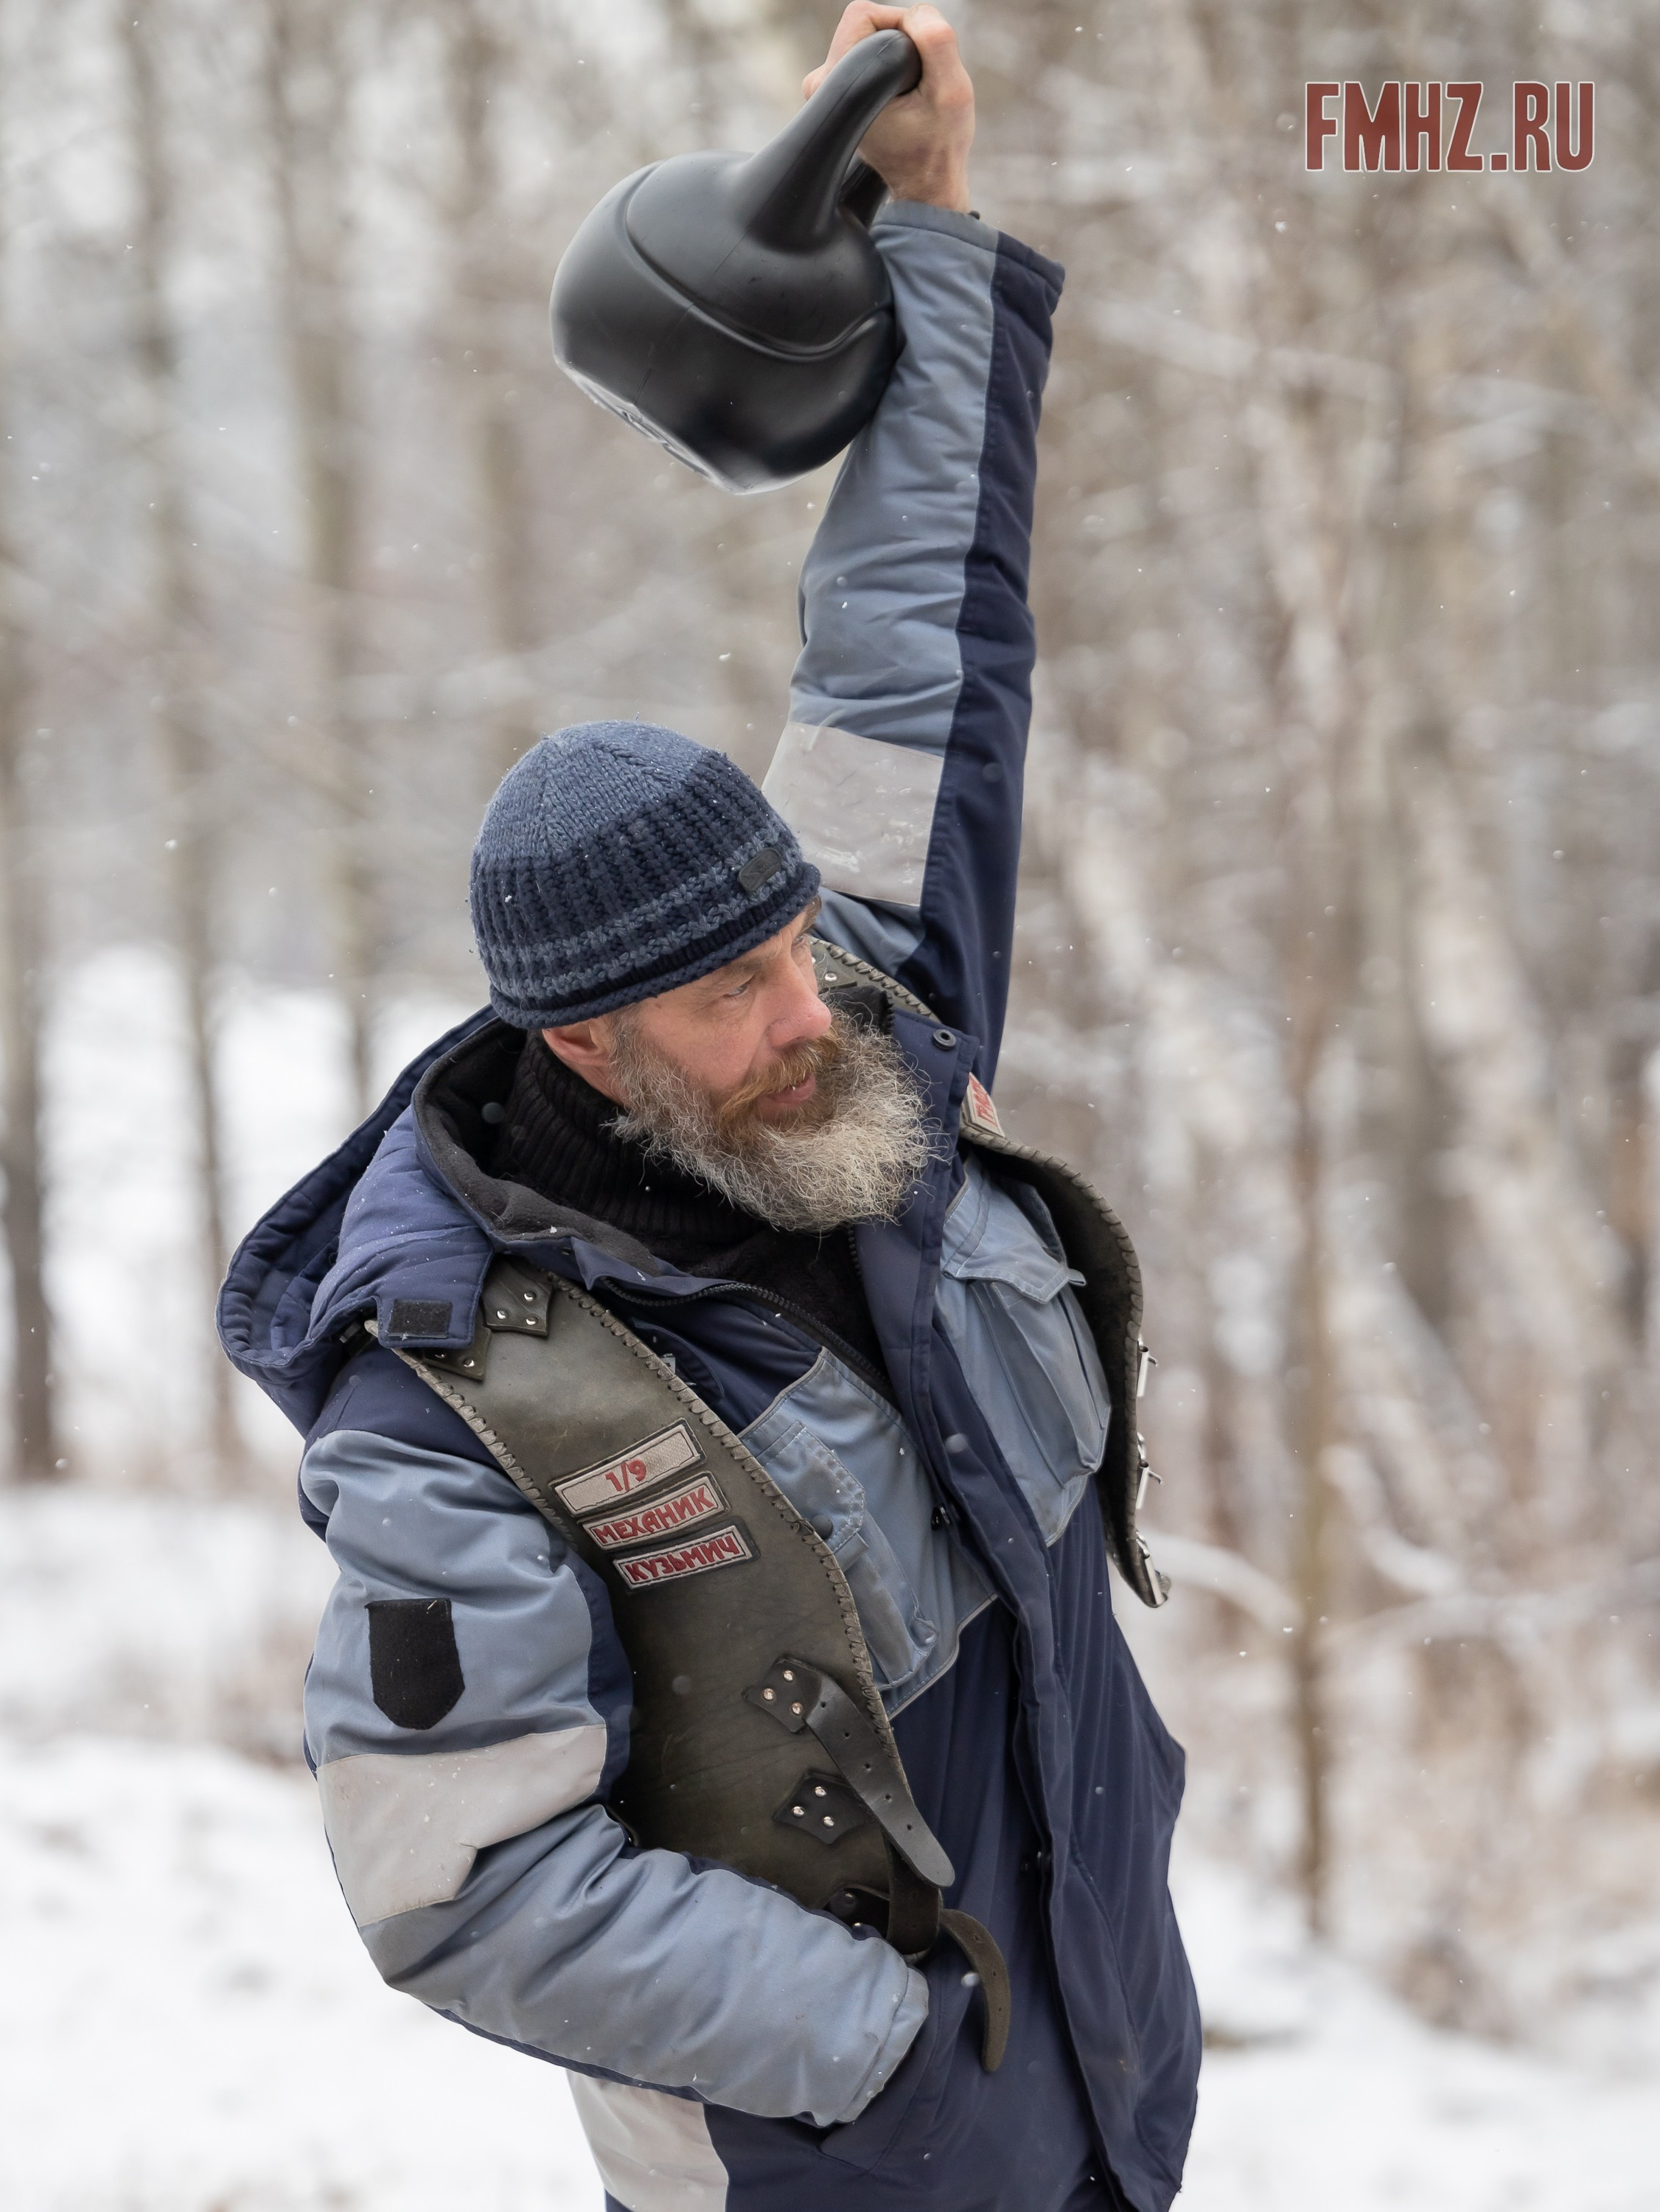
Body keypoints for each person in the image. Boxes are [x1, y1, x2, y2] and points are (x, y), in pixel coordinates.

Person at [220, 7, 1199, 2207]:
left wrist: (931, 228)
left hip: (1105, 2074)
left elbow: (919, 646)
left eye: (785, 948)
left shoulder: (860, 1022)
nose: (800, 1013)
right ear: (584, 1047)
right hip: (835, 2155)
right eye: (721, 999)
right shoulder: (449, 1412)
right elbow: (452, 1880)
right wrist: (885, 2062)